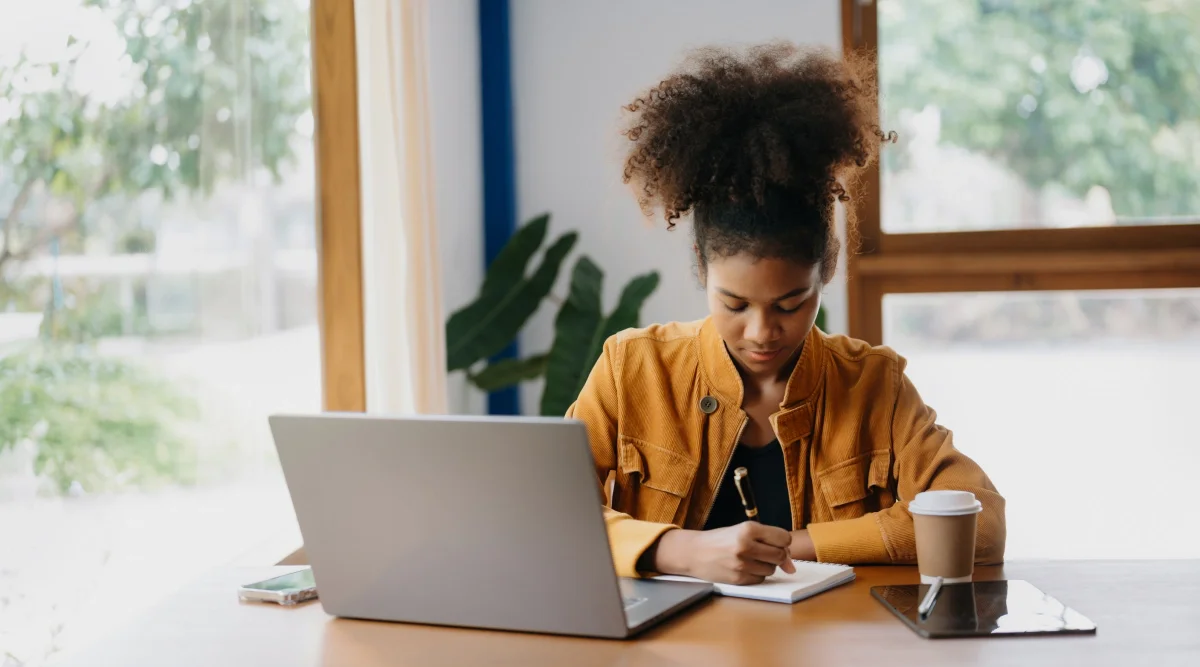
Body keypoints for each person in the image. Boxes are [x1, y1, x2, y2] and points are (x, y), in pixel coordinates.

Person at [566, 43, 1005, 586]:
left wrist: (799, 546)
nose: (761, 332)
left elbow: (981, 521)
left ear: (827, 268)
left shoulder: (874, 384)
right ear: (702, 267)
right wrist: (680, 551)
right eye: (735, 304)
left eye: (791, 303)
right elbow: (547, 516)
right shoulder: (632, 369)